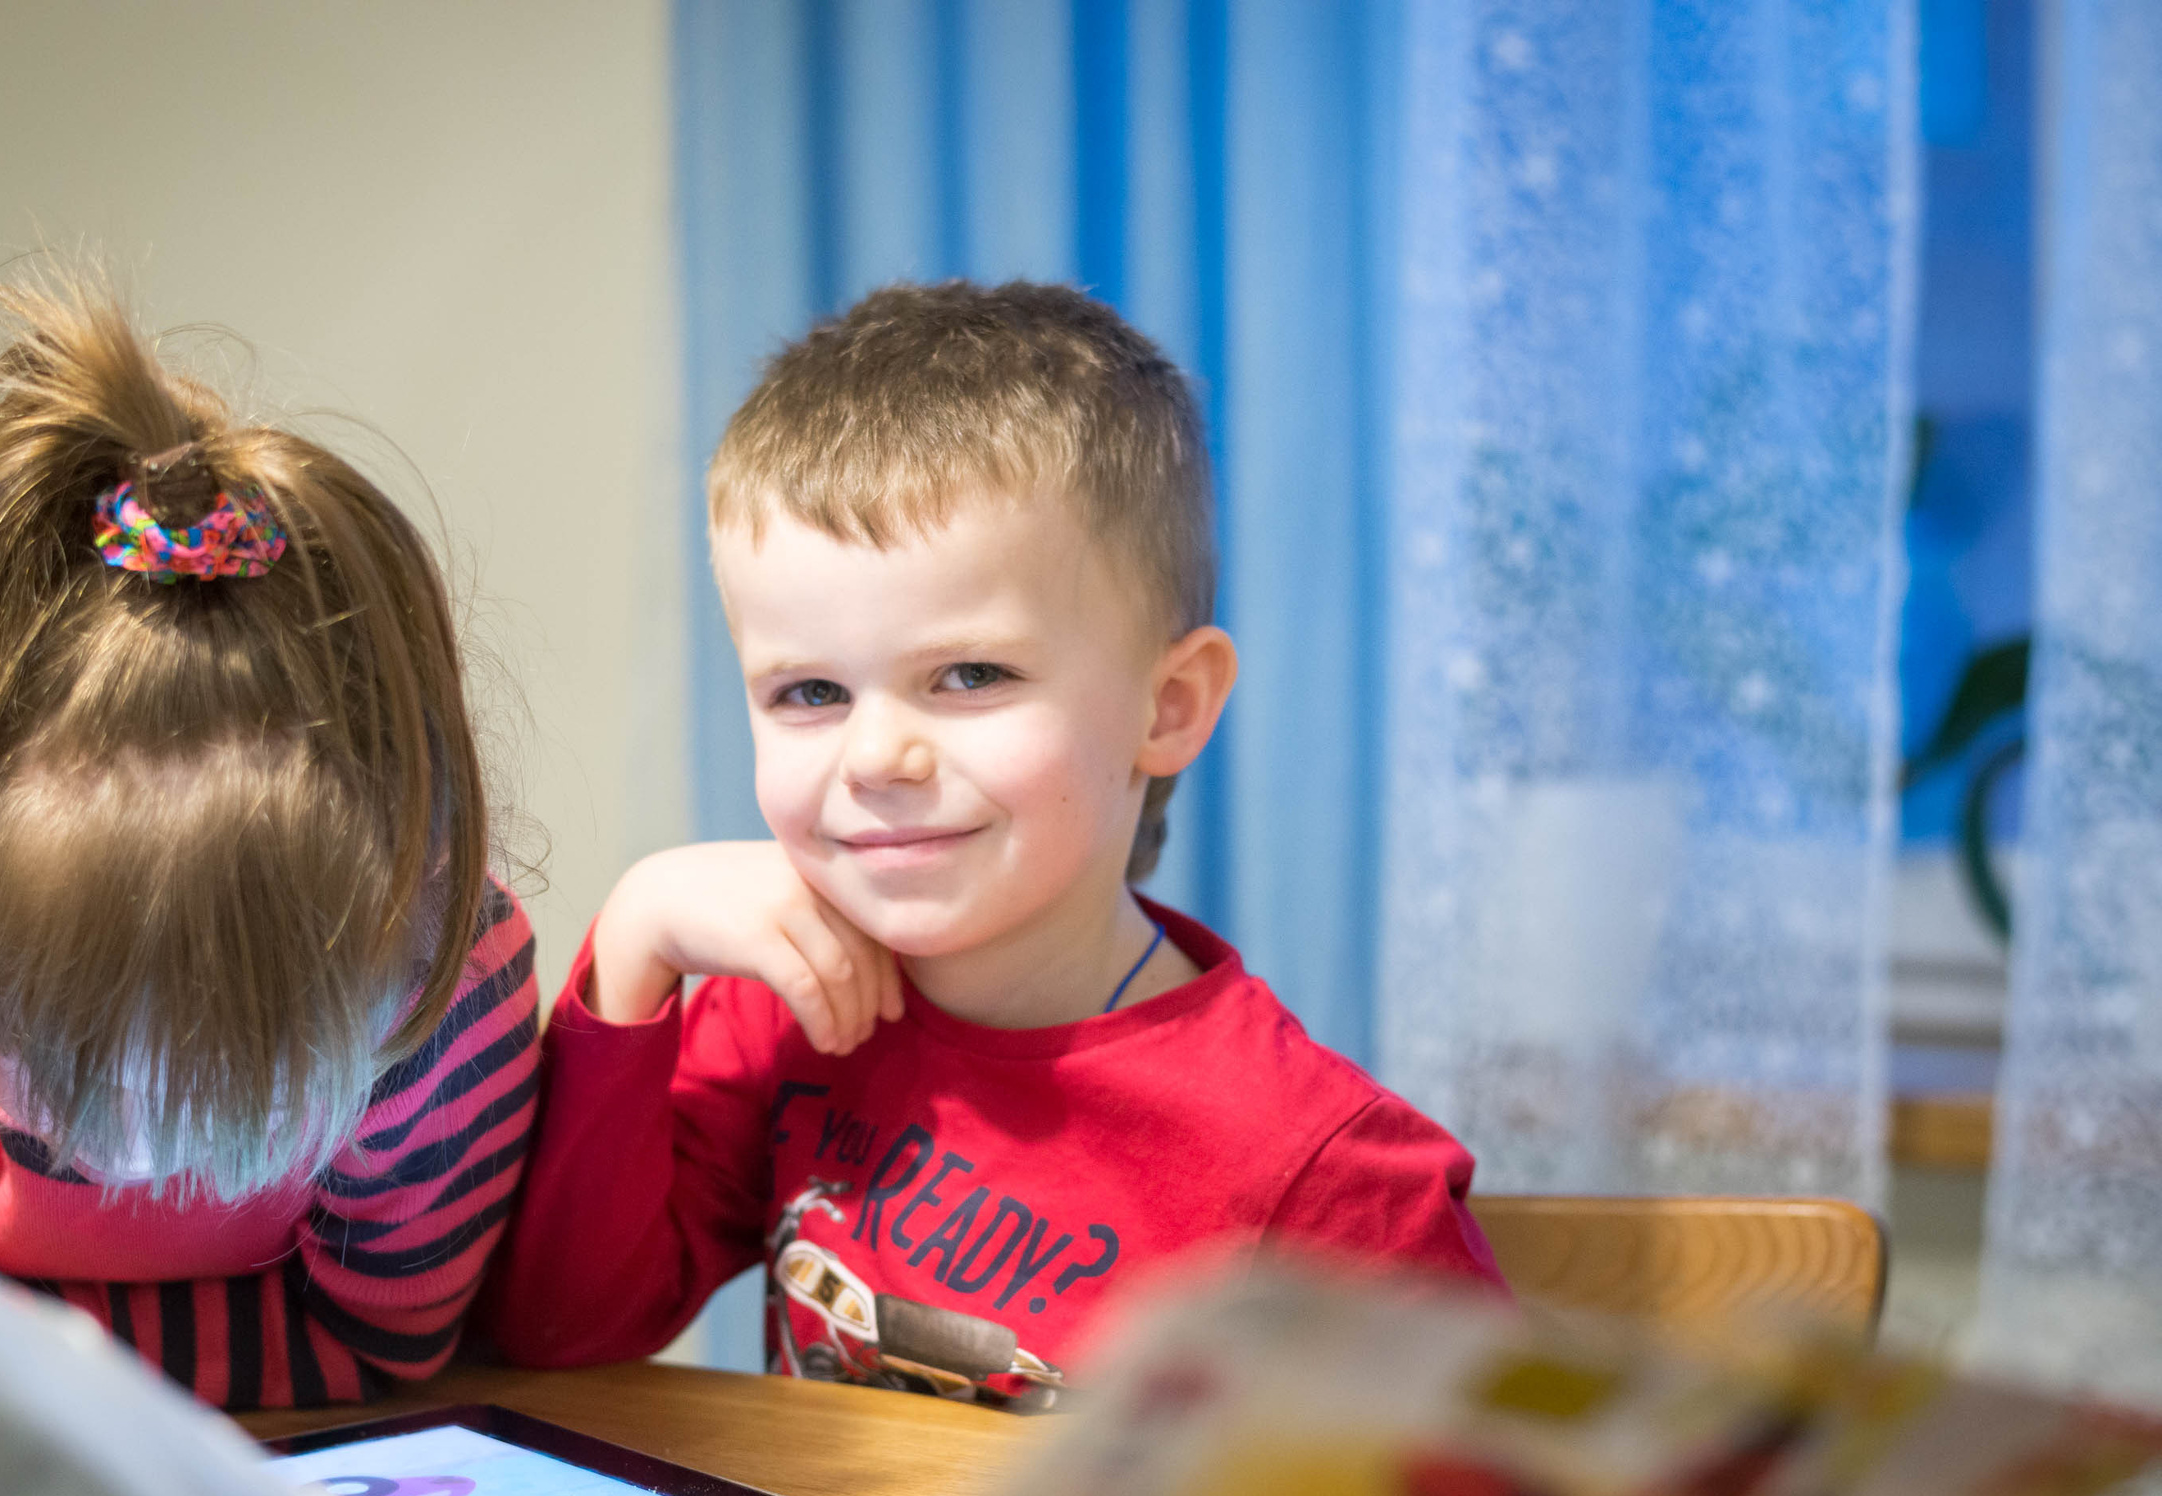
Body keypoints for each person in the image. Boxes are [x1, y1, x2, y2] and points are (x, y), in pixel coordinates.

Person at [488, 281, 1500, 1408]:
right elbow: (556, 1329)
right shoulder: (782, 1007)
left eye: (970, 675)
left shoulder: (1319, 1167)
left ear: (1166, 706)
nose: (876, 756)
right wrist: (635, 940)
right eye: (809, 690)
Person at [0, 277, 538, 1410]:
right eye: (77, 1068)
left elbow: (373, 1347)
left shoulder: (436, 977)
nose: (139, 1160)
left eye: (239, 1081)